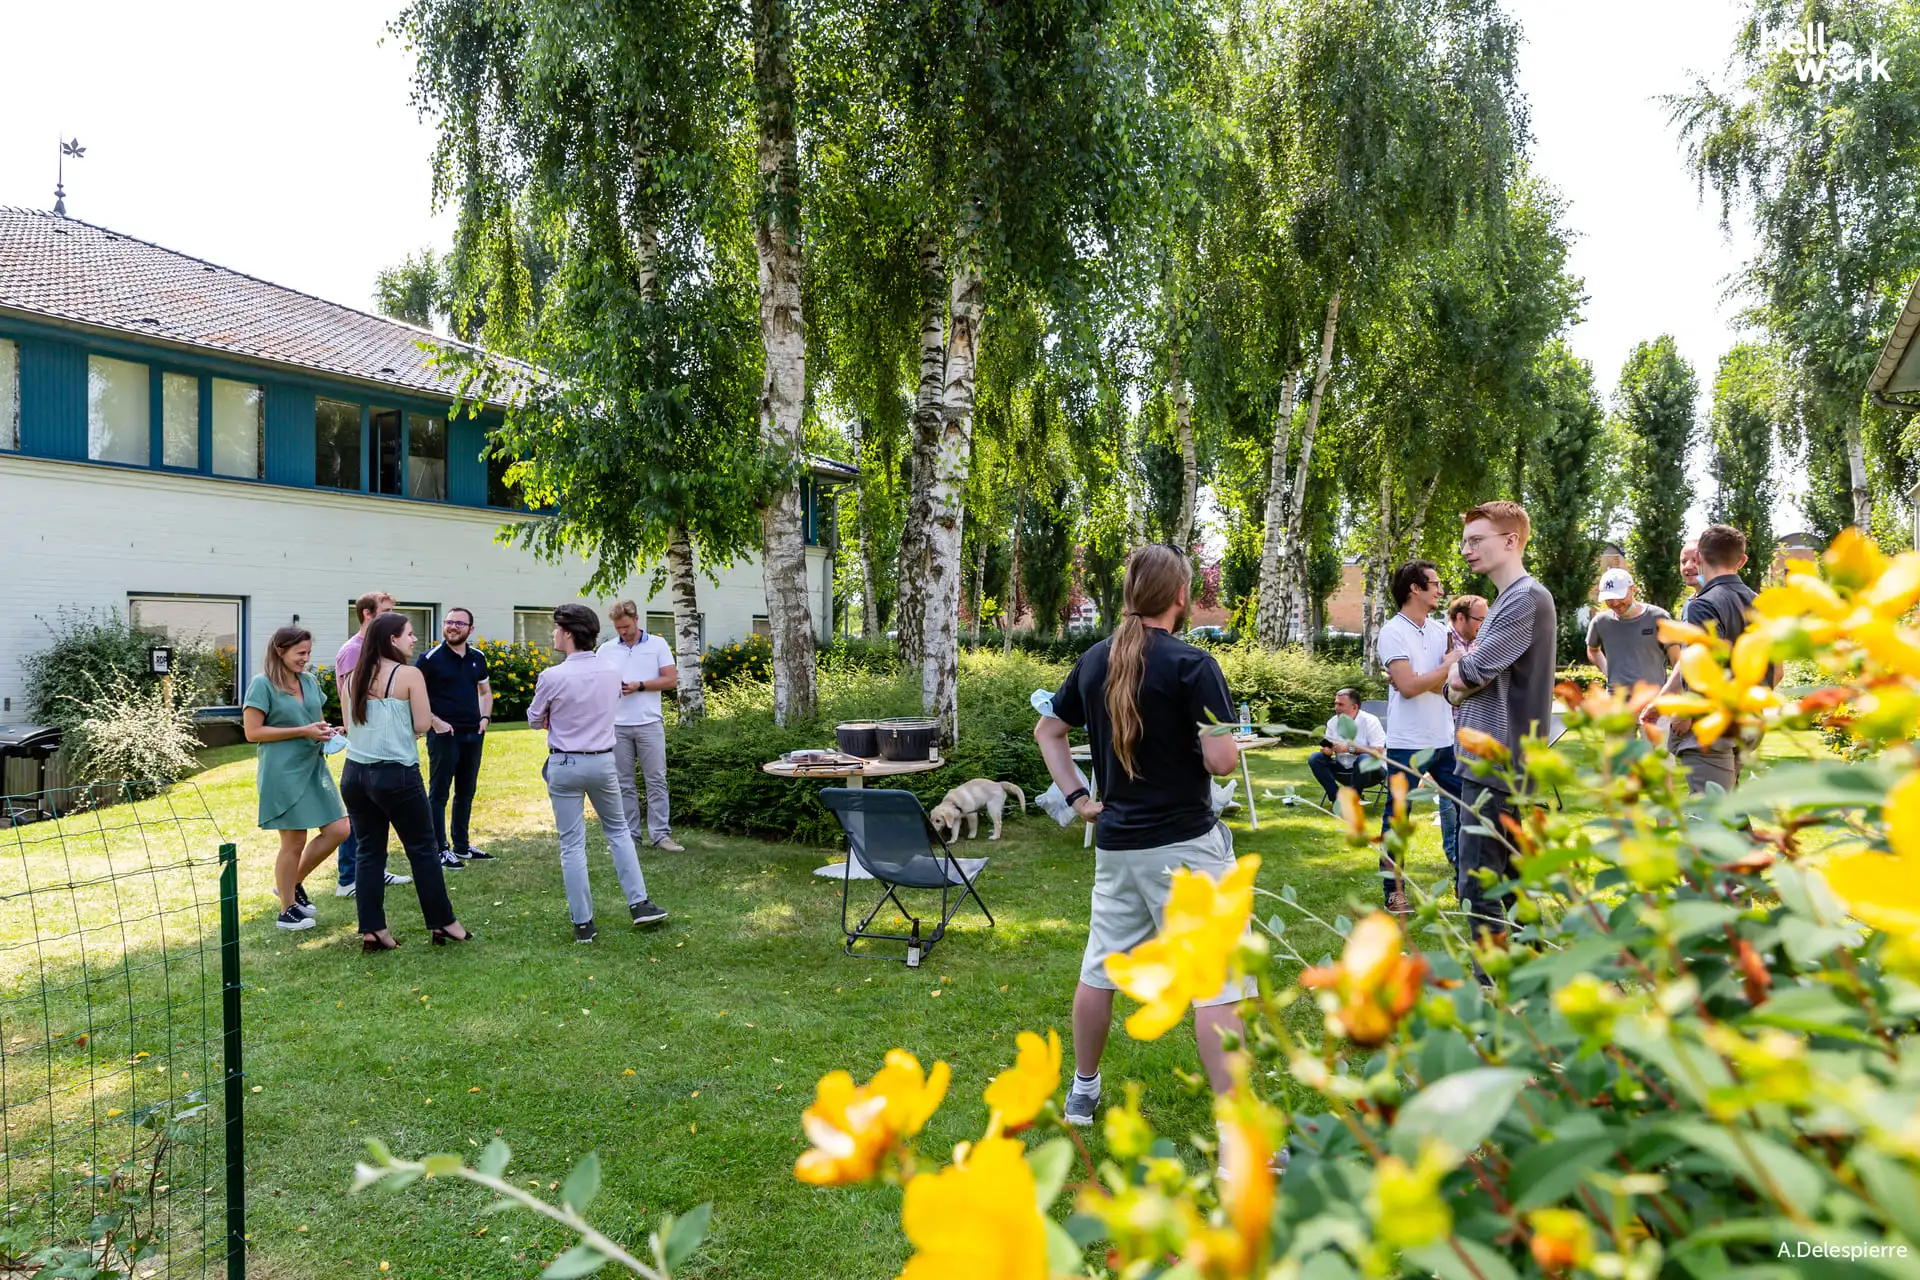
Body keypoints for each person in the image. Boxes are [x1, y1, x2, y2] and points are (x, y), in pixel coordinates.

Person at [1034, 544, 1249, 1128]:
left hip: (1118, 847)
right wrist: (1222, 738)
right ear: (1181, 596)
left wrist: (1081, 800)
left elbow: (1048, 732)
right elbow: (1224, 762)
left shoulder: (1096, 659)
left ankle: (1082, 1090)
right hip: (1185, 847)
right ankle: (1239, 1130)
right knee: (1217, 987)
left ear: (1131, 593)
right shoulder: (1195, 665)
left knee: (1099, 971)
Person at [1446, 501, 1557, 944]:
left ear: (1511, 541)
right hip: (1488, 758)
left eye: (1476, 540)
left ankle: (1493, 988)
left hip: (1498, 759)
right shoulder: (1508, 600)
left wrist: (1461, 673)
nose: (1466, 550)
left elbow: (1467, 673)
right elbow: (1455, 681)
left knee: (1478, 884)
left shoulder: (1524, 599)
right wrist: (1459, 677)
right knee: (1511, 880)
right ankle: (1534, 968)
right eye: (1465, 541)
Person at [529, 603, 670, 942]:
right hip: (603, 760)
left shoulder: (552, 676)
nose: (553, 634)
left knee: (572, 844)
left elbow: (534, 719)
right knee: (619, 832)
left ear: (566, 633)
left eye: (555, 629)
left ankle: (583, 925)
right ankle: (640, 904)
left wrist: (552, 716)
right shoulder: (610, 671)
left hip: (564, 763)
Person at [339, 612, 473, 951]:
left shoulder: (351, 678)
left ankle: (373, 930)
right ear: (391, 640)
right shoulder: (409, 675)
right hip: (396, 774)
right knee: (423, 850)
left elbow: (350, 725)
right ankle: (444, 923)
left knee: (369, 852)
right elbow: (424, 723)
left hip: (355, 774)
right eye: (409, 634)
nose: (414, 639)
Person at [243, 626, 351, 931]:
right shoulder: (262, 685)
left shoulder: (308, 681)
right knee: (294, 840)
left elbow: (309, 720)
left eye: (308, 653)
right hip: (282, 771)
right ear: (281, 651)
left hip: (313, 765)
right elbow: (253, 733)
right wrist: (302, 731)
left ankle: (291, 883)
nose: (306, 659)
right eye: (300, 653)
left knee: (339, 829)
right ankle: (287, 909)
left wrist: (327, 730)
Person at [1641, 524, 1759, 795]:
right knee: (1731, 812)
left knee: (1709, 818)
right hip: (1748, 721)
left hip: (1709, 726)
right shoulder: (1759, 602)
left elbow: (1698, 663)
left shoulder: (1701, 605)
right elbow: (1777, 672)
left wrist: (1684, 713)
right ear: (1741, 561)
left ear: (1702, 558)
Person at [1377, 561, 1464, 908]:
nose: (1441, 591)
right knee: (1397, 822)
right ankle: (1394, 893)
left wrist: (1425, 677)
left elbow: (1443, 682)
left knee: (1468, 810)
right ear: (1415, 588)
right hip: (1406, 745)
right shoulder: (1392, 632)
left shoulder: (1440, 629)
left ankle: (1467, 883)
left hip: (1445, 740)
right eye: (1435, 583)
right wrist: (1440, 670)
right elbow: (1411, 687)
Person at [332, 592, 410, 899]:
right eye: (385, 612)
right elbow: (351, 699)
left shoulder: (379, 648)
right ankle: (348, 877)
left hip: (385, 741)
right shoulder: (353, 651)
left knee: (378, 810)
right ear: (367, 614)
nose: (390, 618)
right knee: (359, 811)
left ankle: (375, 870)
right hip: (365, 746)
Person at [598, 601, 684, 853]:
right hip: (617, 726)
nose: (622, 632)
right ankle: (629, 838)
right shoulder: (606, 649)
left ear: (636, 619)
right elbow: (596, 681)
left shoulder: (658, 644)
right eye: (617, 628)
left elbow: (671, 679)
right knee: (623, 783)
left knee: (656, 780)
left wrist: (640, 685)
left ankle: (661, 835)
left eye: (625, 626)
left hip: (649, 723)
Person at [418, 607, 495, 869]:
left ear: (470, 629)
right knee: (439, 794)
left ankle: (461, 846)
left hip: (473, 733)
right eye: (449, 622)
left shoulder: (478, 657)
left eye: (459, 623)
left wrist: (484, 718)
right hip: (443, 735)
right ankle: (439, 849)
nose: (453, 626)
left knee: (466, 791)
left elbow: (485, 692)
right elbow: (414, 696)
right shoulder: (429, 659)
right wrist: (435, 722)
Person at [1585, 569, 1679, 691]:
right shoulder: (1600, 622)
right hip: (1616, 701)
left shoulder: (1659, 617)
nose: (1614, 602)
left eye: (1619, 596)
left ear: (1633, 589)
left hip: (1653, 699)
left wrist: (1671, 692)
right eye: (1609, 598)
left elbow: (1678, 662)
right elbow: (1592, 650)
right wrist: (1608, 672)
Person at [1306, 689, 1387, 806]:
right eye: (1336, 703)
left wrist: (1349, 749)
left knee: (1365, 758)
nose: (1336, 707)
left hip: (1372, 770)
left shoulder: (1370, 721)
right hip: (1343, 766)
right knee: (1315, 758)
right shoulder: (1333, 722)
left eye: (1341, 704)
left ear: (1354, 707)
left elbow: (1378, 750)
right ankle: (1337, 799)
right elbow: (1330, 745)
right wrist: (1327, 751)